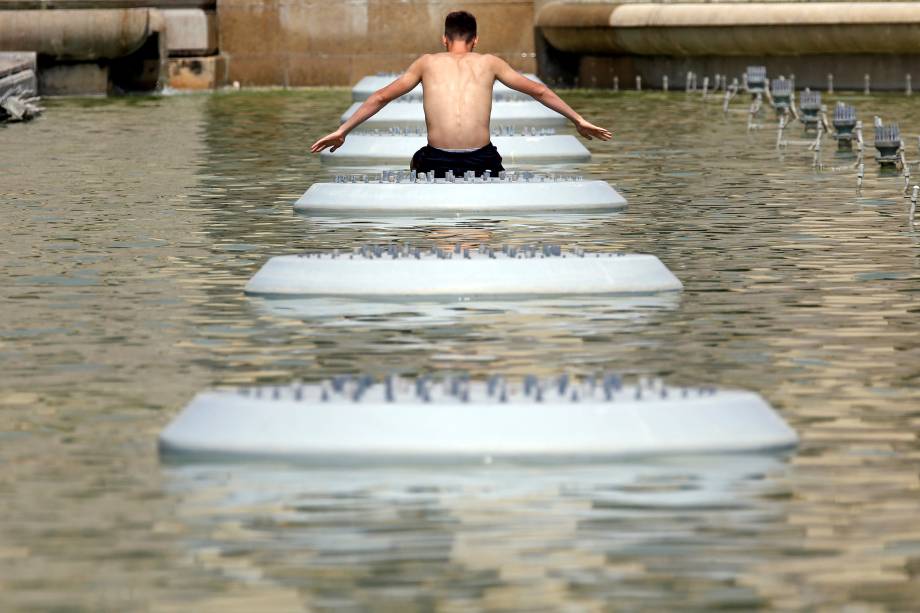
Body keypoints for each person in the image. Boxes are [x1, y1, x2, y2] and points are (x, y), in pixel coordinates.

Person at [311, 10, 612, 178]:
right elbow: (539, 90)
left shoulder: (426, 63)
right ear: (475, 39)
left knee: (416, 161)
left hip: (436, 161)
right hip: (482, 160)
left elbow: (380, 97)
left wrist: (342, 131)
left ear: (444, 39)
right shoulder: (490, 62)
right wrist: (578, 119)